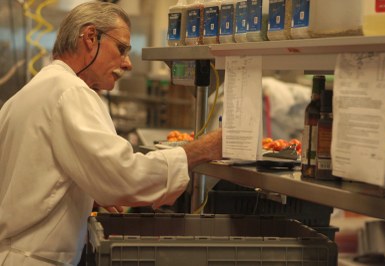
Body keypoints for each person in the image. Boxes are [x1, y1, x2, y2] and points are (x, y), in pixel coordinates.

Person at [0, 2, 222, 265]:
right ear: (91, 37)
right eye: (121, 49)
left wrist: (85, 190)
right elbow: (124, 177)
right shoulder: (71, 92)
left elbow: (36, 176)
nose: (127, 64)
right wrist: (202, 149)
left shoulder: (29, 93)